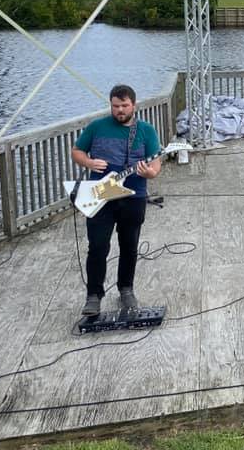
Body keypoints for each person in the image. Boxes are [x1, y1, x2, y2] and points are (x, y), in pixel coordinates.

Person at [72, 85, 161, 315]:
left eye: (124, 106)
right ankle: (93, 295)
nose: (120, 110)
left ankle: (126, 290)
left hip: (134, 196)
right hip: (101, 196)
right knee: (98, 246)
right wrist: (89, 163)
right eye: (115, 106)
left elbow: (156, 164)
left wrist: (150, 173)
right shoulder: (96, 127)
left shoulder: (146, 130)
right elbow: (76, 151)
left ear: (134, 104)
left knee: (129, 246)